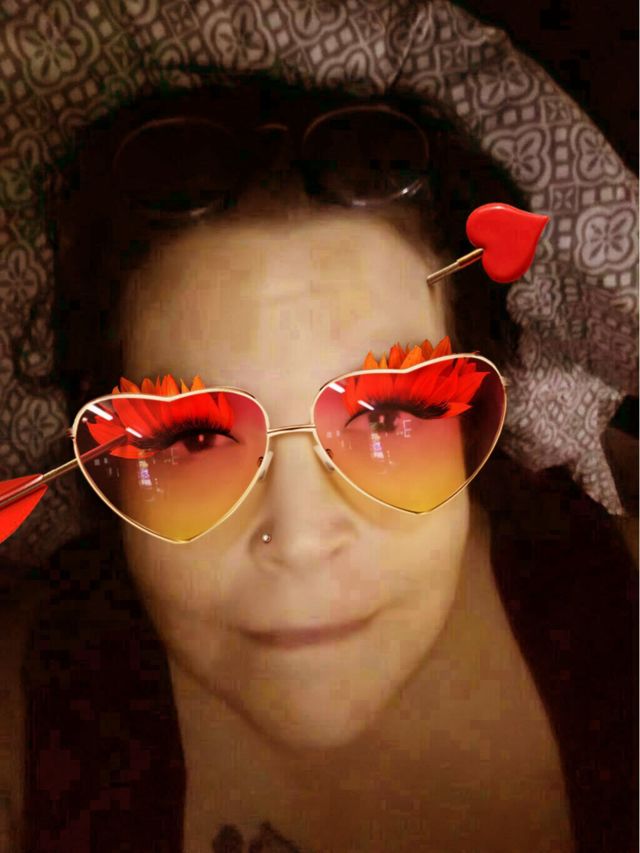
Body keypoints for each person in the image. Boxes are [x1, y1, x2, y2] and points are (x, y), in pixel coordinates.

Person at [15, 72, 635, 853]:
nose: (302, 537)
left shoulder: (619, 615)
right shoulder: (32, 711)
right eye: (194, 438)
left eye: (387, 416)